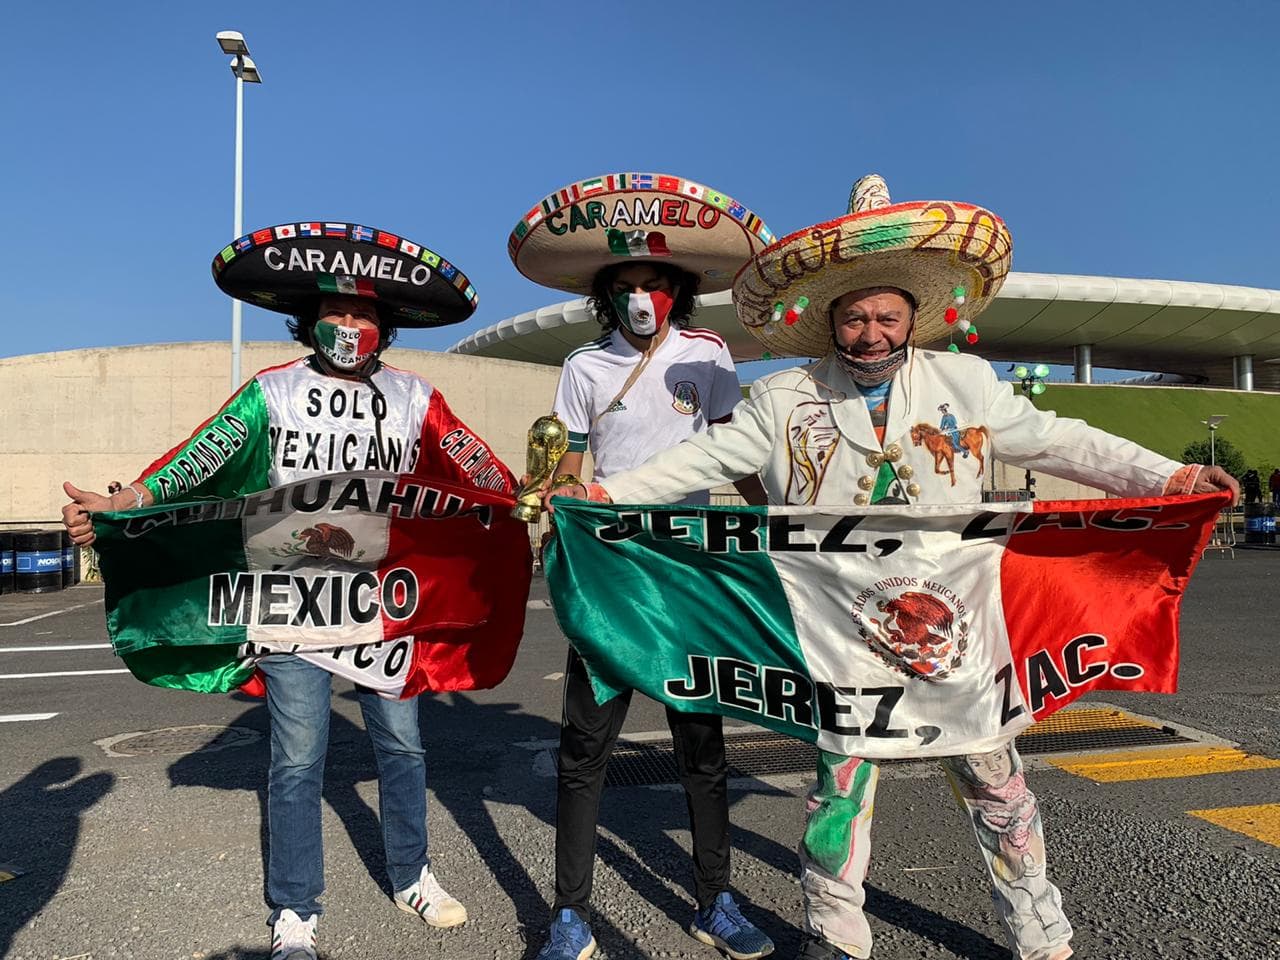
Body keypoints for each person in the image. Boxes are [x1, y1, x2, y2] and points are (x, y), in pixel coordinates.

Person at [548, 174, 1239, 960]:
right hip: (844, 640)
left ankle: (1040, 934)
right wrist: (601, 494)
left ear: (913, 318)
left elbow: (1059, 441)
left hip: (959, 632)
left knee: (997, 784)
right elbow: (698, 459)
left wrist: (1168, 478)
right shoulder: (784, 399)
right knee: (837, 796)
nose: (870, 332)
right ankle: (835, 937)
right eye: (854, 317)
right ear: (829, 321)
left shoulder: (966, 383)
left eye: (885, 316)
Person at [62, 222, 510, 960]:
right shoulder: (271, 391)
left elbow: (479, 469)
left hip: (383, 600)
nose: (349, 324)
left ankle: (413, 875)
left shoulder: (413, 398)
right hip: (289, 597)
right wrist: (130, 501)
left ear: (385, 325)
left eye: (365, 313)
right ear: (308, 318)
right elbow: (198, 459)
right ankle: (296, 909)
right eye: (335, 310)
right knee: (298, 758)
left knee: (402, 744)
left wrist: (536, 496)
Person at [508, 172, 776, 960]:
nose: (641, 298)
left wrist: (774, 523)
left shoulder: (709, 354)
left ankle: (716, 899)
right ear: (606, 296)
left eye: (655, 284)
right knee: (586, 748)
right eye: (625, 286)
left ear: (679, 291)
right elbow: (566, 460)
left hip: (689, 569)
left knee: (702, 740)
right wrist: (553, 507)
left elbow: (737, 451)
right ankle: (569, 915)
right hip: (610, 570)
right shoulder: (585, 368)